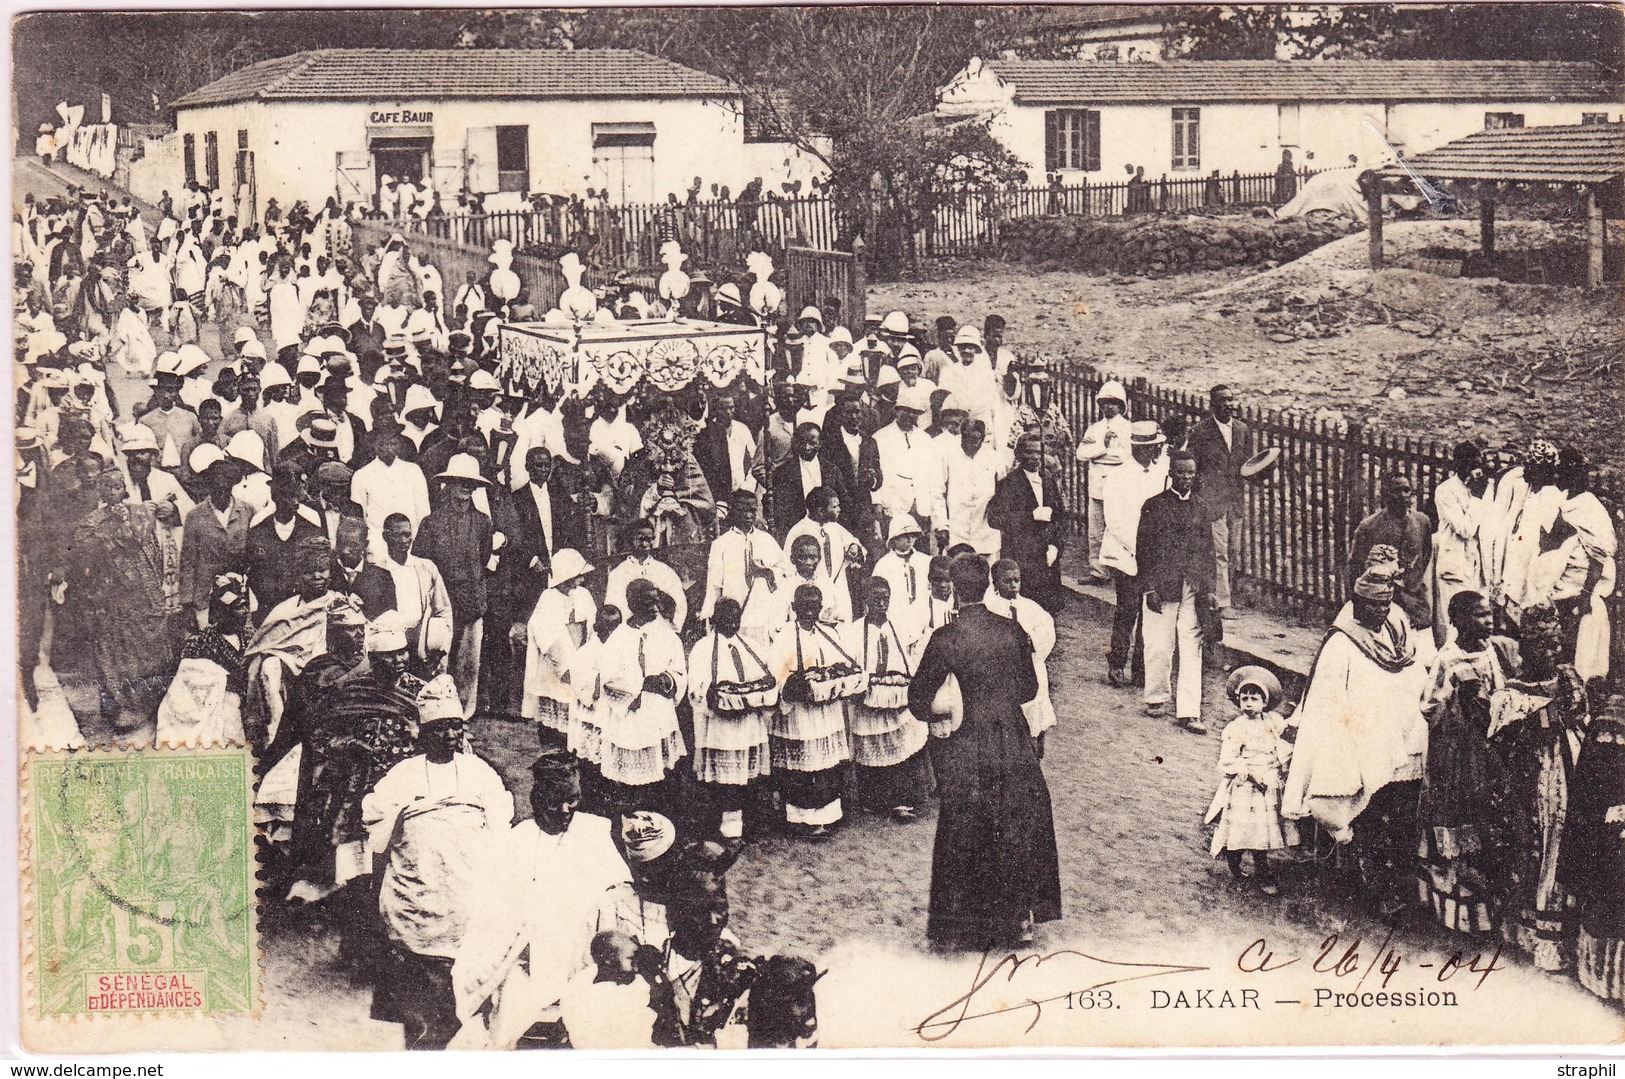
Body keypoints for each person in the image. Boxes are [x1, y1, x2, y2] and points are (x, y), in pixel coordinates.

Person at [908, 555, 1060, 948]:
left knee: (965, 825)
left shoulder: (946, 636)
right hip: (1011, 739)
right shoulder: (1012, 630)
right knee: (1015, 822)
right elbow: (1028, 691)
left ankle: (958, 927)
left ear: (955, 589)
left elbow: (918, 699)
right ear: (989, 586)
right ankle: (1018, 920)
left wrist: (944, 708)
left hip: (966, 741)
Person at [363, 674, 513, 1050]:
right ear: (424, 733)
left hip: (465, 897)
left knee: (463, 994)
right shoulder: (404, 774)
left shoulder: (480, 773)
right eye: (441, 728)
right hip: (417, 898)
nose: (450, 736)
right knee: (419, 997)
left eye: (455, 728)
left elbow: (500, 828)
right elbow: (376, 819)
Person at [1282, 554, 1432, 915]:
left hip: (1401, 739)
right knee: (1362, 815)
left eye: (1384, 604)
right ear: (1356, 603)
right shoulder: (1342, 643)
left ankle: (1397, 884)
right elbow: (1326, 706)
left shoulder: (1397, 627)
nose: (1378, 612)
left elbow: (1413, 674)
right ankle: (1370, 888)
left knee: (1400, 815)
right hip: (1359, 742)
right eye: (1370, 605)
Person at [452, 749, 630, 1050]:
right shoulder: (518, 840)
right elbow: (495, 907)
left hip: (584, 952)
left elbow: (616, 891)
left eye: (572, 800)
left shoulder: (593, 832)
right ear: (537, 800)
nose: (564, 810)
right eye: (554, 802)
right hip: (526, 954)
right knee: (508, 1019)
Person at [1415, 591, 1520, 935]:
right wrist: (1458, 715)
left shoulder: (1495, 650)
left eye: (1489, 614)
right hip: (1459, 755)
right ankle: (1455, 913)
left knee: (1488, 822)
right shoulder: (1448, 659)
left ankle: (1488, 912)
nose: (1488, 621)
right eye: (1478, 616)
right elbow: (1429, 706)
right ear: (1457, 621)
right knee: (1457, 823)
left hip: (1493, 747)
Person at [1490, 603, 1589, 972]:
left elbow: (1581, 717)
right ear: (1525, 647)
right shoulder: (1513, 692)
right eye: (1542, 646)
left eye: (1555, 644)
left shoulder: (1568, 676)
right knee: (1542, 848)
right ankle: (1535, 936)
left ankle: (1567, 934)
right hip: (1536, 784)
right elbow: (1504, 746)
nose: (1551, 652)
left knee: (1568, 846)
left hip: (1574, 772)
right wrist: (1545, 719)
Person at [63, 464, 184, 735]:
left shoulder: (139, 513)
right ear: (100, 490)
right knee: (115, 650)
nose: (113, 491)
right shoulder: (91, 522)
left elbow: (153, 552)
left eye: (117, 485)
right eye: (107, 486)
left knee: (145, 646)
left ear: (124, 489)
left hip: (141, 594)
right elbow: (83, 555)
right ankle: (120, 707)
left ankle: (145, 703)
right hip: (111, 595)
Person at [1135, 450, 1215, 732]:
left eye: (1191, 473)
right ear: (1171, 473)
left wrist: (1210, 588)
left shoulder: (1201, 507)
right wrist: (1148, 589)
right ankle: (1156, 698)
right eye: (1181, 472)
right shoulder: (1153, 506)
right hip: (1162, 586)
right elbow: (1143, 551)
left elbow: (1208, 551)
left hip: (1192, 586)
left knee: (1192, 647)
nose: (1186, 478)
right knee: (1158, 644)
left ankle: (1189, 711)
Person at [769, 583, 857, 839]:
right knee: (803, 766)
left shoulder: (828, 634)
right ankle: (800, 816)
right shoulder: (785, 636)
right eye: (804, 607)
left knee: (827, 764)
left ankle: (827, 815)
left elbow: (844, 663)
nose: (810, 612)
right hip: (799, 714)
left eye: (814, 607)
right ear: (794, 608)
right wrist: (791, 684)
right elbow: (775, 674)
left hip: (826, 710)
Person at [597, 580, 688, 815]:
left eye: (656, 600)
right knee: (631, 786)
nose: (655, 607)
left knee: (664, 779)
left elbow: (679, 669)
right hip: (631, 718)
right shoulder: (617, 638)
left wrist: (667, 680)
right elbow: (608, 678)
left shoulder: (667, 635)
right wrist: (637, 688)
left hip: (659, 715)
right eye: (647, 602)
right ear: (631, 604)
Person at [688, 597, 776, 840]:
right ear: (715, 619)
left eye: (736, 617)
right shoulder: (703, 648)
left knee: (750, 776)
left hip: (748, 723)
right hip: (721, 727)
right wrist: (713, 694)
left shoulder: (752, 645)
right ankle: (730, 824)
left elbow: (767, 676)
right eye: (727, 617)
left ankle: (750, 821)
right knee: (726, 779)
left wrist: (760, 689)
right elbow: (696, 685)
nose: (733, 622)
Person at [1204, 666, 1296, 896]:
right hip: (1246, 786)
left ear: (1264, 703)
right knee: (1241, 826)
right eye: (1244, 698)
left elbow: (1286, 736)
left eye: (1254, 699)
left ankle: (1260, 868)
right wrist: (1248, 774)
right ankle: (1236, 864)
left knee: (1261, 831)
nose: (1248, 703)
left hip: (1268, 783)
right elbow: (1229, 758)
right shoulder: (1237, 728)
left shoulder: (1273, 722)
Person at [414, 453, 494, 717]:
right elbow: (423, 564)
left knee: (470, 662)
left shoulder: (483, 522)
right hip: (442, 603)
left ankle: (464, 713)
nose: (466, 487)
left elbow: (484, 558)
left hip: (472, 599)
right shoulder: (432, 522)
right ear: (449, 485)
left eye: (470, 483)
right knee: (441, 658)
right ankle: (439, 712)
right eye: (460, 481)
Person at [847, 576, 931, 821]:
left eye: (886, 599)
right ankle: (873, 800)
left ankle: (902, 800)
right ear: (865, 600)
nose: (882, 604)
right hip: (870, 697)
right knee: (871, 748)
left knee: (901, 746)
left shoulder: (899, 628)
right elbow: (851, 665)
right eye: (876, 599)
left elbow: (910, 658)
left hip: (896, 695)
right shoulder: (854, 631)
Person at [1557, 700, 1625, 1005]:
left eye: (1618, 740)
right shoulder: (1598, 742)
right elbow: (1585, 794)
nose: (1610, 744)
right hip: (1601, 833)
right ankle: (1597, 976)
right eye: (1605, 738)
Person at [1101, 421, 1167, 688]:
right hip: (1125, 551)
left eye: (1153, 448)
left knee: (1149, 614)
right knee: (1127, 610)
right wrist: (1139, 548)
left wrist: (1156, 550)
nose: (1150, 453)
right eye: (1145, 448)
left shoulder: (1160, 473)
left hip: (1151, 555)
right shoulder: (1118, 476)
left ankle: (1141, 668)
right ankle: (1117, 663)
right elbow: (1115, 520)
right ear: (1135, 448)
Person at [155, 572, 251, 747]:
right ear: (220, 611)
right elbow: (187, 685)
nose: (243, 612)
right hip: (220, 709)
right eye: (236, 607)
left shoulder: (250, 637)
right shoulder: (199, 643)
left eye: (245, 606)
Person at [518, 548, 596, 745]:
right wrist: (566, 668)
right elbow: (549, 637)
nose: (582, 581)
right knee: (558, 700)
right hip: (557, 663)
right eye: (578, 576)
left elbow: (592, 624)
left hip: (581, 653)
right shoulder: (549, 598)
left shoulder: (583, 595)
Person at [1188, 384, 1251, 617]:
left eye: (1230, 400)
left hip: (1234, 500)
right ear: (1212, 405)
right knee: (1218, 551)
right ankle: (1223, 602)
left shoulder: (1242, 429)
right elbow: (1193, 467)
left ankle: (1221, 594)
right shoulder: (1200, 431)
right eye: (1221, 401)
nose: (1227, 405)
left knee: (1233, 550)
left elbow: (1247, 463)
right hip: (1212, 501)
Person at [988, 433, 1066, 613]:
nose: (1035, 458)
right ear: (1018, 454)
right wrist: (1030, 516)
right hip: (1022, 556)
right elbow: (996, 519)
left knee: (1048, 612)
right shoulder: (1009, 483)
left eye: (1039, 453)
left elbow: (1060, 517)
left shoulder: (1048, 479)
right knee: (1023, 609)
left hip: (1047, 556)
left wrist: (1055, 546)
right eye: (1029, 453)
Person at [1348, 472, 1435, 634]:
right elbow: (1356, 567)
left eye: (1406, 490)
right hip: (1383, 605)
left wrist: (1412, 582)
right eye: (1397, 491)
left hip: (1416, 603)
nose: (1402, 495)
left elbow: (1425, 555)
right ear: (1386, 494)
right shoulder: (1369, 527)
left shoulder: (1422, 522)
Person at [988, 559, 1058, 754]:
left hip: (1031, 667)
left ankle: (1036, 748)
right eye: (1007, 581)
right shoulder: (990, 607)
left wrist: (1031, 640)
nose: (1013, 585)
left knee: (1034, 708)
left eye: (1016, 580)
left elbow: (1047, 630)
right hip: (1002, 671)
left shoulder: (1031, 608)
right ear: (995, 583)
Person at [698, 489, 785, 645]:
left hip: (763, 614)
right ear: (732, 511)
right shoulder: (721, 544)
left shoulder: (766, 540)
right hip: (734, 616)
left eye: (752, 511)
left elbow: (785, 572)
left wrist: (767, 572)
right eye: (742, 510)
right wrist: (709, 615)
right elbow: (714, 584)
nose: (748, 515)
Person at [1432, 442, 1492, 646]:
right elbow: (1465, 529)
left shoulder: (1486, 488)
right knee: (1456, 626)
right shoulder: (1445, 491)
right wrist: (1476, 497)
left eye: (1478, 465)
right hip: (1455, 569)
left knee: (1480, 624)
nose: (1475, 471)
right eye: (1469, 465)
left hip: (1479, 568)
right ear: (1458, 466)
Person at [870, 384, 942, 549]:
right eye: (907, 411)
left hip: (921, 508)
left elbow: (933, 476)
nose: (911, 416)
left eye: (915, 413)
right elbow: (875, 475)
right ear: (896, 411)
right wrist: (878, 504)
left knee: (921, 555)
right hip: (894, 506)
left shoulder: (925, 439)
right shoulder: (880, 438)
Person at [1075, 380, 1132, 584]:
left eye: (1114, 403)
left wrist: (1098, 455)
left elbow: (1125, 457)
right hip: (1097, 487)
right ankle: (1098, 572)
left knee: (1118, 530)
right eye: (1106, 402)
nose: (1109, 407)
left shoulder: (1127, 429)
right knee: (1096, 532)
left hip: (1118, 487)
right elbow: (1082, 453)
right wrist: (1103, 445)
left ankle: (1120, 571)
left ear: (1121, 406)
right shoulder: (1094, 429)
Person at [604, 519, 689, 636]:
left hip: (660, 634)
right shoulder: (619, 573)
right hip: (629, 634)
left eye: (649, 539)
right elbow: (613, 607)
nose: (645, 544)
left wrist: (672, 630)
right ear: (630, 539)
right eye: (640, 539)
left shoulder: (664, 571)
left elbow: (680, 603)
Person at [941, 418, 1001, 560]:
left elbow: (1003, 488)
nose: (971, 443)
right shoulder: (949, 456)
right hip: (957, 530)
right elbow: (938, 491)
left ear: (982, 438)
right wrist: (942, 525)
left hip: (986, 531)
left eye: (976, 439)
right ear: (961, 435)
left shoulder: (993, 457)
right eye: (967, 437)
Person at [770, 422, 827, 539]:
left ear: (820, 443)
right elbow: (781, 509)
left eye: (812, 443)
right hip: (796, 530)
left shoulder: (831, 470)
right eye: (803, 442)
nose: (807, 448)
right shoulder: (784, 472)